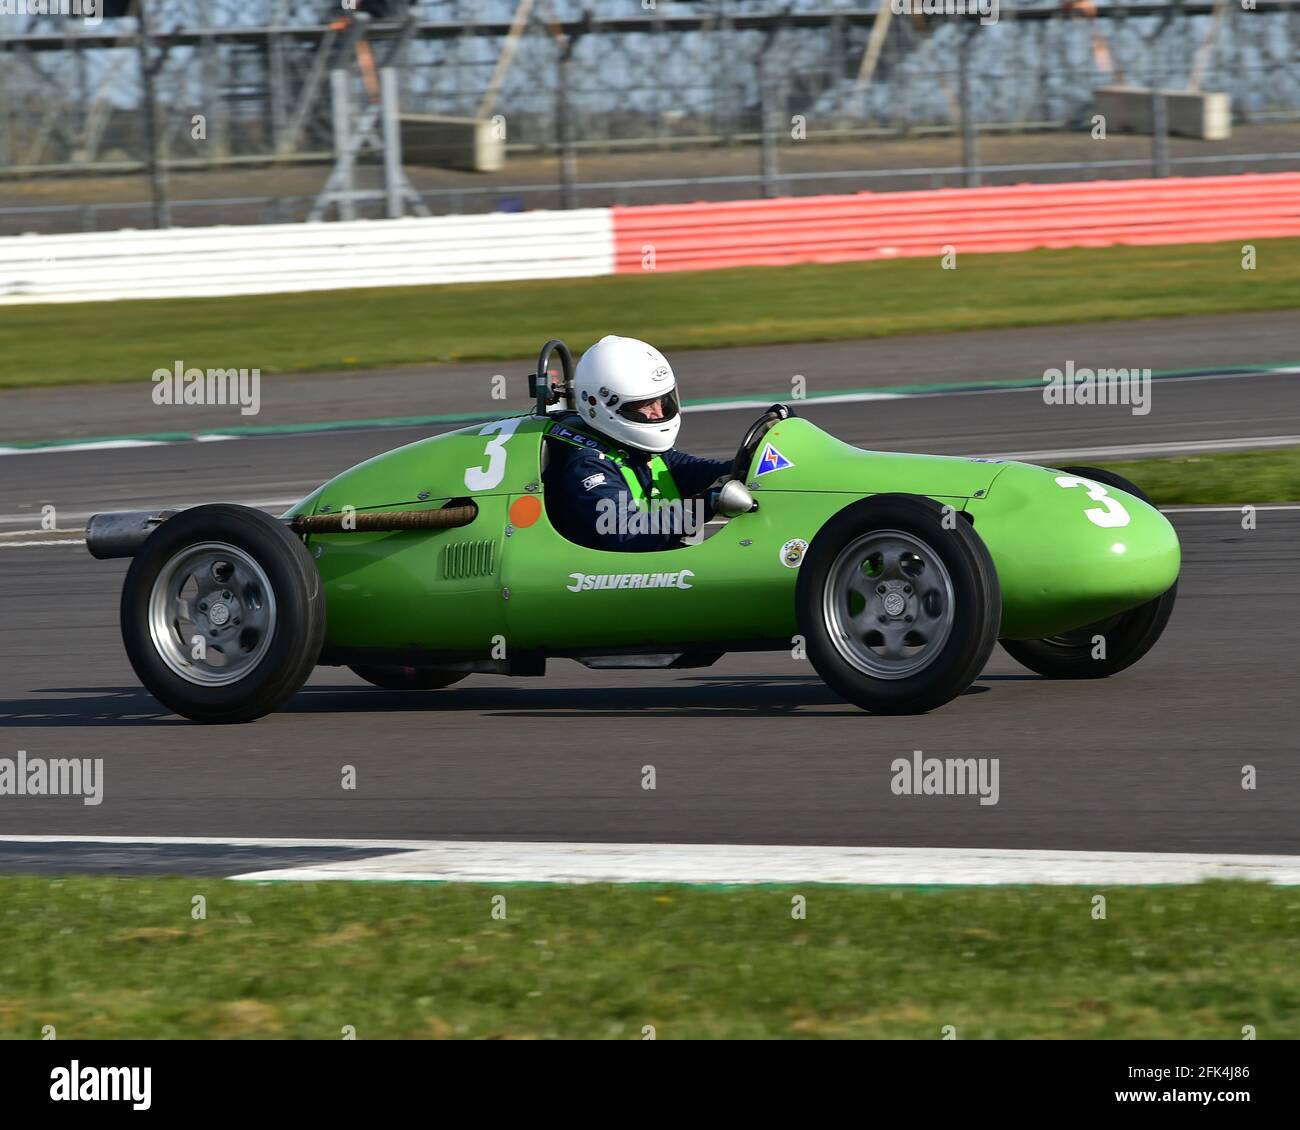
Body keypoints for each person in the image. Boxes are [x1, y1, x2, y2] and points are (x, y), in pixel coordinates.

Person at [543, 335, 730, 551]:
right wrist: (705, 505)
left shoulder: (639, 452)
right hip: (606, 569)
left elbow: (701, 471)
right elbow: (626, 531)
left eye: (661, 401)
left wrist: (749, 462)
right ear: (600, 405)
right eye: (645, 405)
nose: (658, 414)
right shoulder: (588, 465)